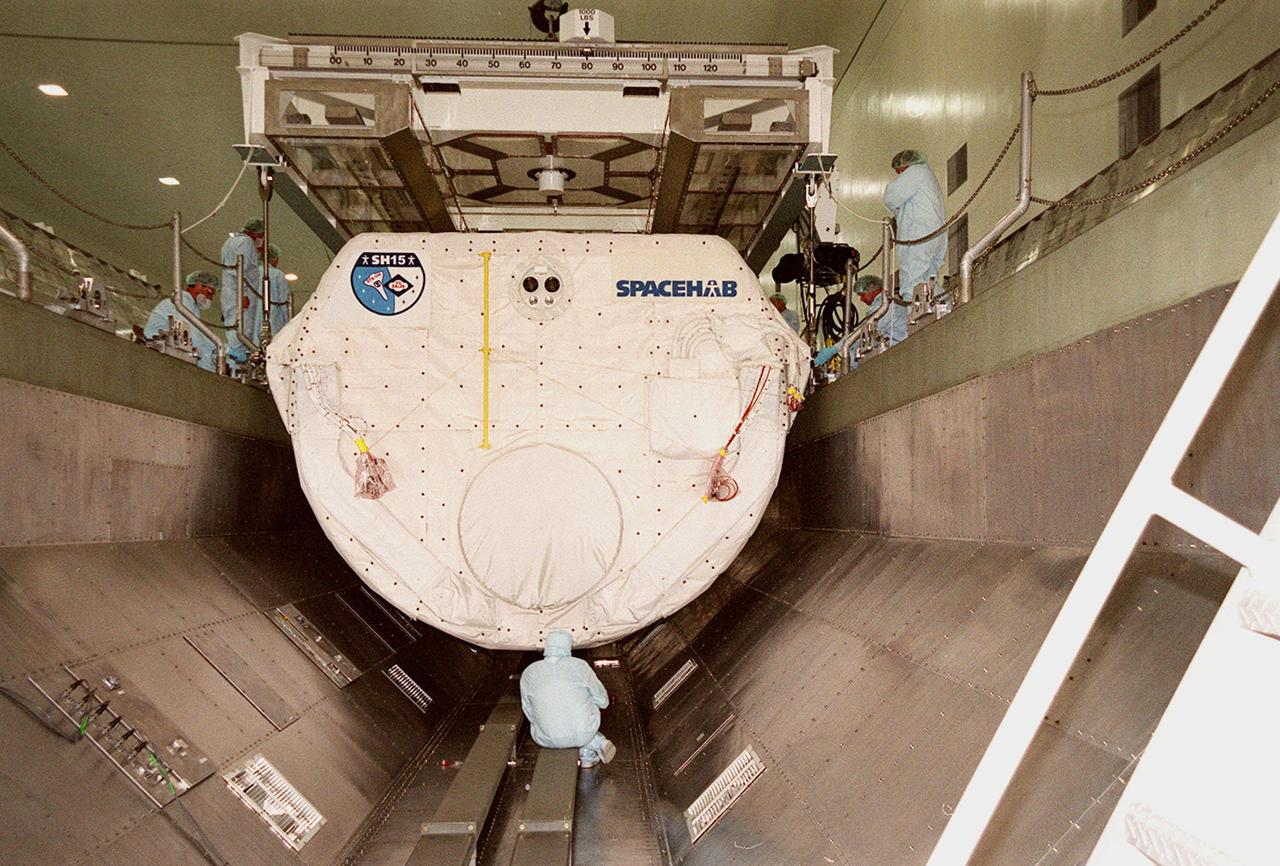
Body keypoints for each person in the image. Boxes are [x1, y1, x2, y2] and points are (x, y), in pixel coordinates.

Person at [519, 630, 617, 768]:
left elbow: (528, 709)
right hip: (582, 734)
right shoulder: (579, 666)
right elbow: (603, 701)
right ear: (568, 647)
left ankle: (593, 744)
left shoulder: (529, 671)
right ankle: (590, 749)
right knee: (590, 701)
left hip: (545, 738)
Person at [882, 149, 947, 346]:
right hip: (934, 236)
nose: (899, 175)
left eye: (899, 171)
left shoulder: (916, 172)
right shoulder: (928, 178)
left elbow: (890, 197)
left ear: (904, 166)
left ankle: (917, 332)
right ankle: (943, 314)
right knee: (930, 280)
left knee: (913, 284)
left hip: (918, 237)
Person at [143, 270, 220, 371]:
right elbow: (194, 338)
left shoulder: (193, 307)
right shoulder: (182, 302)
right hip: (159, 353)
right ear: (198, 285)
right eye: (209, 292)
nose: (210, 298)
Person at [812, 275, 885, 368]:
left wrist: (834, 349)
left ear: (873, 291)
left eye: (862, 295)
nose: (861, 299)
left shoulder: (883, 306)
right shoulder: (880, 305)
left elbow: (860, 333)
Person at [220, 218, 265, 366]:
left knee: (234, 328)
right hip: (239, 294)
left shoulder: (230, 242)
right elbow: (241, 268)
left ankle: (234, 362)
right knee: (241, 330)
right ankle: (234, 364)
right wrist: (244, 294)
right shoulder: (246, 243)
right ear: (256, 233)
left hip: (230, 293)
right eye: (262, 236)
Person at [267, 243, 291, 336]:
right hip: (274, 326)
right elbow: (285, 303)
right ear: (275, 259)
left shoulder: (250, 274)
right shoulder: (277, 275)